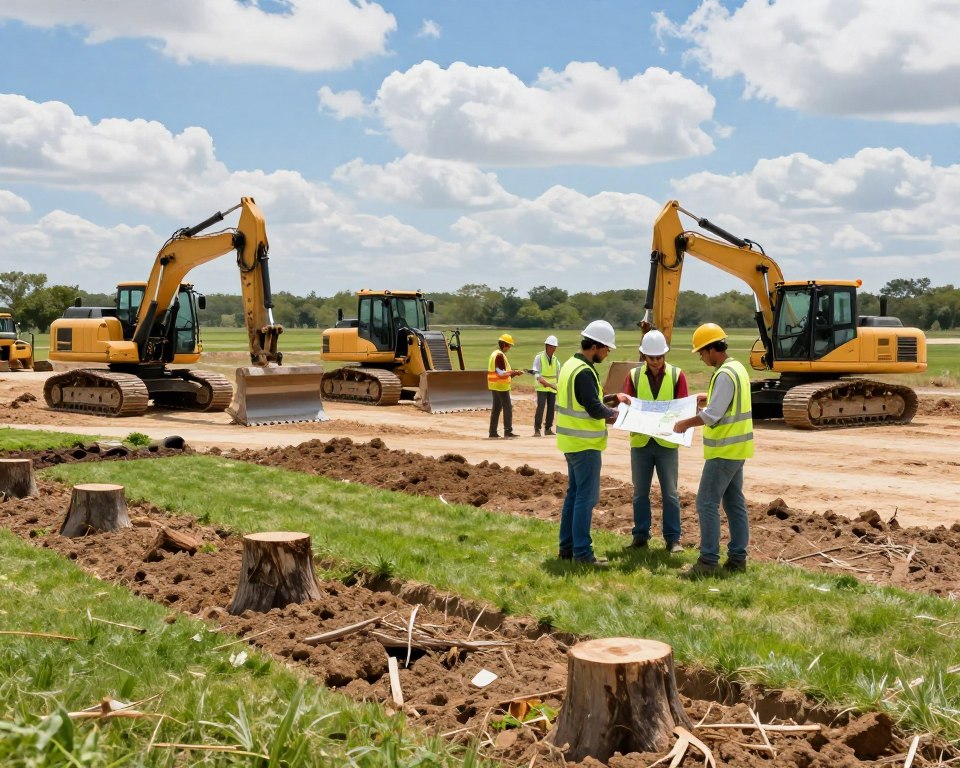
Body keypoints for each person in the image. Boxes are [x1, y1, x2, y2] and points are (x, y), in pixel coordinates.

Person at [673, 323, 754, 575]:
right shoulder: (736, 368)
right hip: (738, 448)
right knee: (734, 503)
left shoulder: (724, 374)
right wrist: (707, 396)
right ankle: (737, 559)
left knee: (706, 503)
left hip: (723, 451)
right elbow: (727, 401)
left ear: (712, 349)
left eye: (701, 352)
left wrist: (685, 423)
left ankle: (708, 561)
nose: (701, 357)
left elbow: (713, 415)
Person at [556, 320, 629, 567]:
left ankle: (566, 549)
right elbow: (595, 408)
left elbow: (588, 398)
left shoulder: (571, 366)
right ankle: (583, 555)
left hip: (570, 442)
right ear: (595, 346)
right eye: (606, 348)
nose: (607, 353)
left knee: (574, 496)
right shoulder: (585, 371)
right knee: (585, 499)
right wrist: (622, 415)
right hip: (585, 444)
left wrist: (613, 397)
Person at [621, 329, 688, 553]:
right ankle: (640, 536)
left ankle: (673, 539)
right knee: (640, 492)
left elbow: (683, 408)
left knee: (670, 493)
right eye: (652, 358)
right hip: (641, 443)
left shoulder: (678, 375)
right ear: (644, 356)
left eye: (660, 357)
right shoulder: (633, 376)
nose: (657, 361)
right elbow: (627, 405)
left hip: (667, 444)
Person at [487, 333, 524, 438]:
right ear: (504, 344)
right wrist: (514, 372)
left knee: (496, 408)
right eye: (509, 345)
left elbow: (501, 372)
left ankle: (492, 432)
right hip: (501, 386)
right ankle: (508, 431)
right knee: (507, 408)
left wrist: (513, 373)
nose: (509, 348)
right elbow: (501, 373)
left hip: (494, 385)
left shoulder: (494, 354)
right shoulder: (499, 355)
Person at [532, 335, 561, 437]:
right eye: (553, 346)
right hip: (541, 387)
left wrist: (558, 386)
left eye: (555, 347)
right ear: (547, 346)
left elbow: (559, 375)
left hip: (552, 388)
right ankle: (537, 429)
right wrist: (542, 380)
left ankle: (548, 428)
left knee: (551, 408)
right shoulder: (539, 357)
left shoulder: (556, 360)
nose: (554, 349)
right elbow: (535, 371)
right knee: (541, 406)